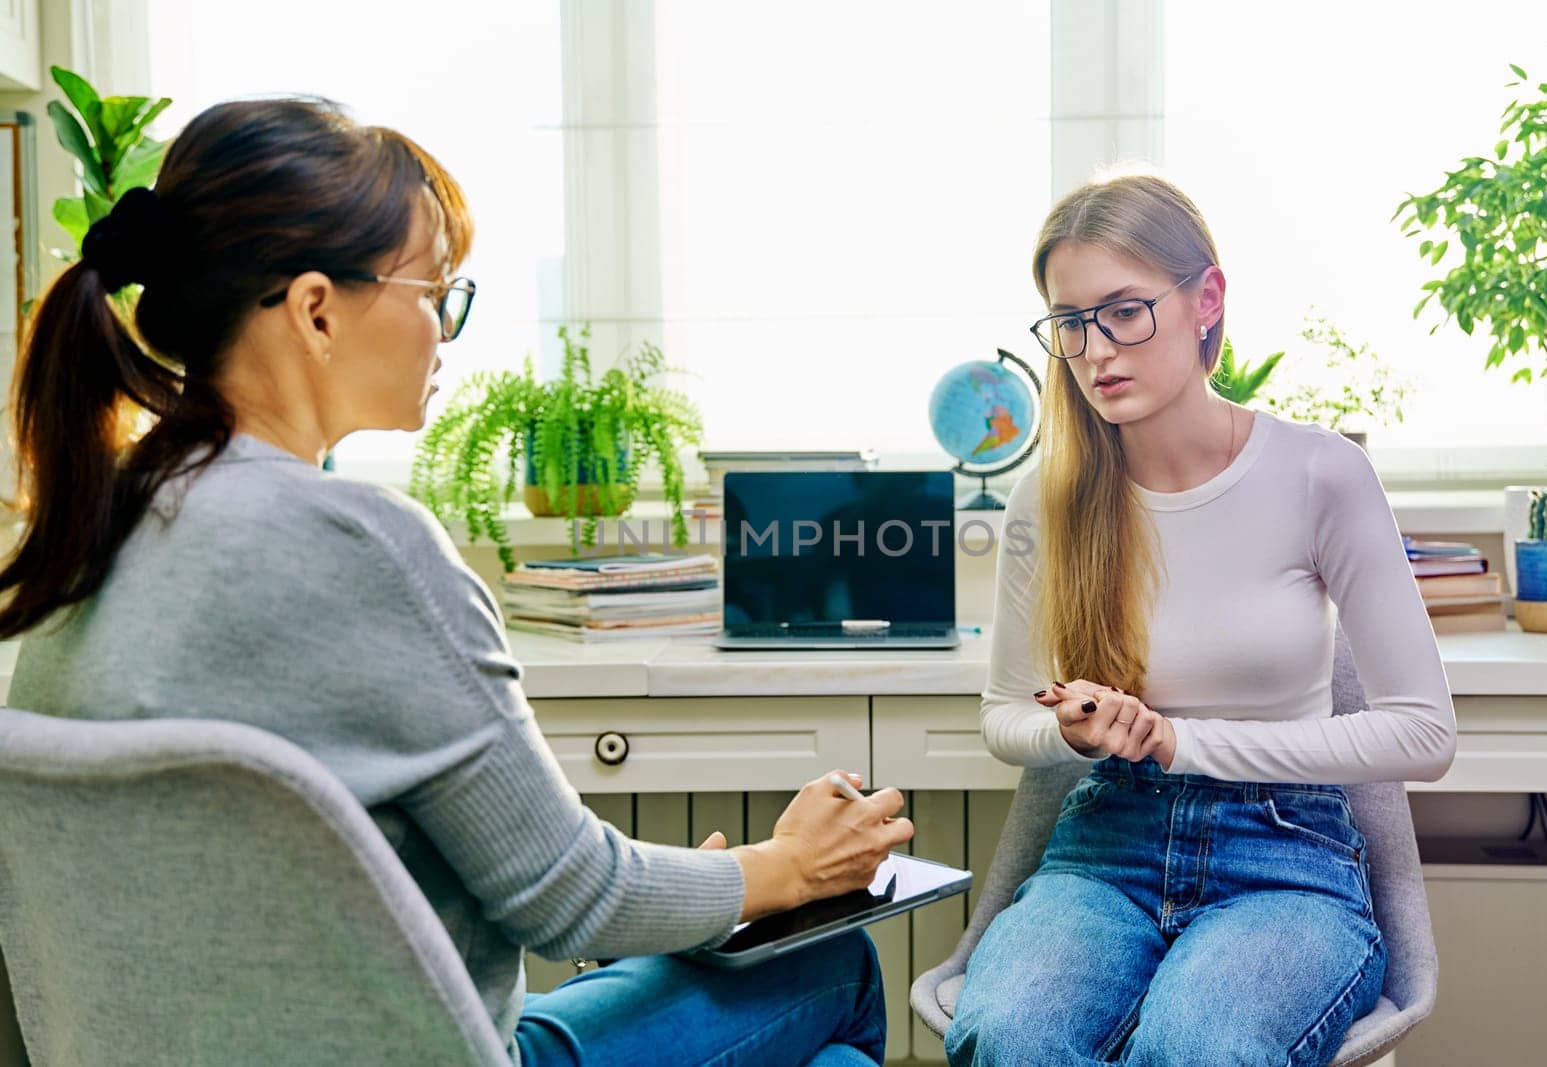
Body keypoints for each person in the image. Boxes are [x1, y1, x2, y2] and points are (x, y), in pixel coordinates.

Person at [0, 97, 912, 1067]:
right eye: (437, 292)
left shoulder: (92, 531)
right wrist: (787, 865)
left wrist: (715, 879)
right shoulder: (361, 541)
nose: (444, 330)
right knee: (834, 964)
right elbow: (573, 896)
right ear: (316, 309)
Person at [944, 170, 1458, 1067]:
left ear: (1206, 300)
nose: (1098, 349)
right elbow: (1002, 718)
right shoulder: (1049, 498)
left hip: (1285, 858)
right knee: (1008, 1036)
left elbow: (1424, 735)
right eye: (1071, 323)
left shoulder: (1320, 475)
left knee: (1198, 1047)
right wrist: (1078, 733)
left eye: (1125, 311)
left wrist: (1185, 743)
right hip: (1107, 849)